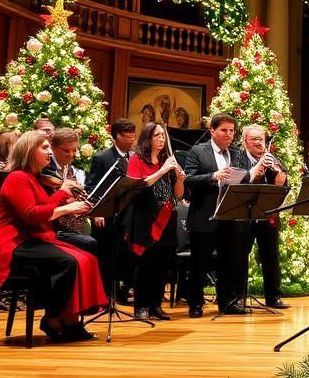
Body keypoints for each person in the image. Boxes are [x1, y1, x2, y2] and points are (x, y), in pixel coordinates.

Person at [0, 130, 106, 342]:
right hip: (15, 243)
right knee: (69, 262)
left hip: (35, 237)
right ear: (29, 150)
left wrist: (66, 200)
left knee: (86, 258)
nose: (49, 152)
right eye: (44, 147)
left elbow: (44, 207)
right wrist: (66, 206)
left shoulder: (33, 178)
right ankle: (53, 318)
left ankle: (70, 318)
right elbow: (31, 215)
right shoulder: (17, 178)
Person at [183, 113, 250, 317]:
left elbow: (245, 176)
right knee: (199, 263)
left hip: (230, 215)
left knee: (230, 261)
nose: (229, 134)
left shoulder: (238, 153)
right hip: (205, 215)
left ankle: (227, 302)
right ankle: (195, 304)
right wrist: (213, 177)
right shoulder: (198, 151)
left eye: (231, 131)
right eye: (224, 130)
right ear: (212, 131)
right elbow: (188, 179)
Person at [126, 122, 185, 320]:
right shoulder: (137, 160)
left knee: (162, 263)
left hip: (167, 216)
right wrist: (162, 170)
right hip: (146, 217)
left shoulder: (166, 160)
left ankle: (156, 305)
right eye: (157, 135)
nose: (161, 139)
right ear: (148, 138)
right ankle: (140, 307)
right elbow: (138, 186)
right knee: (145, 263)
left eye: (163, 135)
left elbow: (178, 195)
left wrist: (179, 179)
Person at [86, 118, 137, 304]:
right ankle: (105, 294)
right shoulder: (102, 157)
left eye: (133, 135)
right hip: (107, 212)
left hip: (129, 214)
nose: (131, 139)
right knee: (107, 255)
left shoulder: (135, 156)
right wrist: (97, 211)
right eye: (126, 136)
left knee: (127, 254)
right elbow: (92, 186)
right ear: (115, 136)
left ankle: (123, 291)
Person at [238, 124, 290, 309]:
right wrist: (257, 169)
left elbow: (284, 185)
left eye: (262, 139)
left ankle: (273, 297)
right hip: (243, 214)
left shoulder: (272, 158)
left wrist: (277, 173)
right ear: (245, 142)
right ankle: (238, 296)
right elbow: (238, 181)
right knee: (241, 255)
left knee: (271, 256)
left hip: (267, 214)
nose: (260, 143)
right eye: (255, 139)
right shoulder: (238, 157)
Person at [43, 128, 99, 255]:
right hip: (52, 226)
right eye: (66, 151)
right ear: (53, 147)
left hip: (68, 224)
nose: (72, 155)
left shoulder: (68, 167)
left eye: (74, 150)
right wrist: (69, 204)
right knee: (89, 243)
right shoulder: (45, 168)